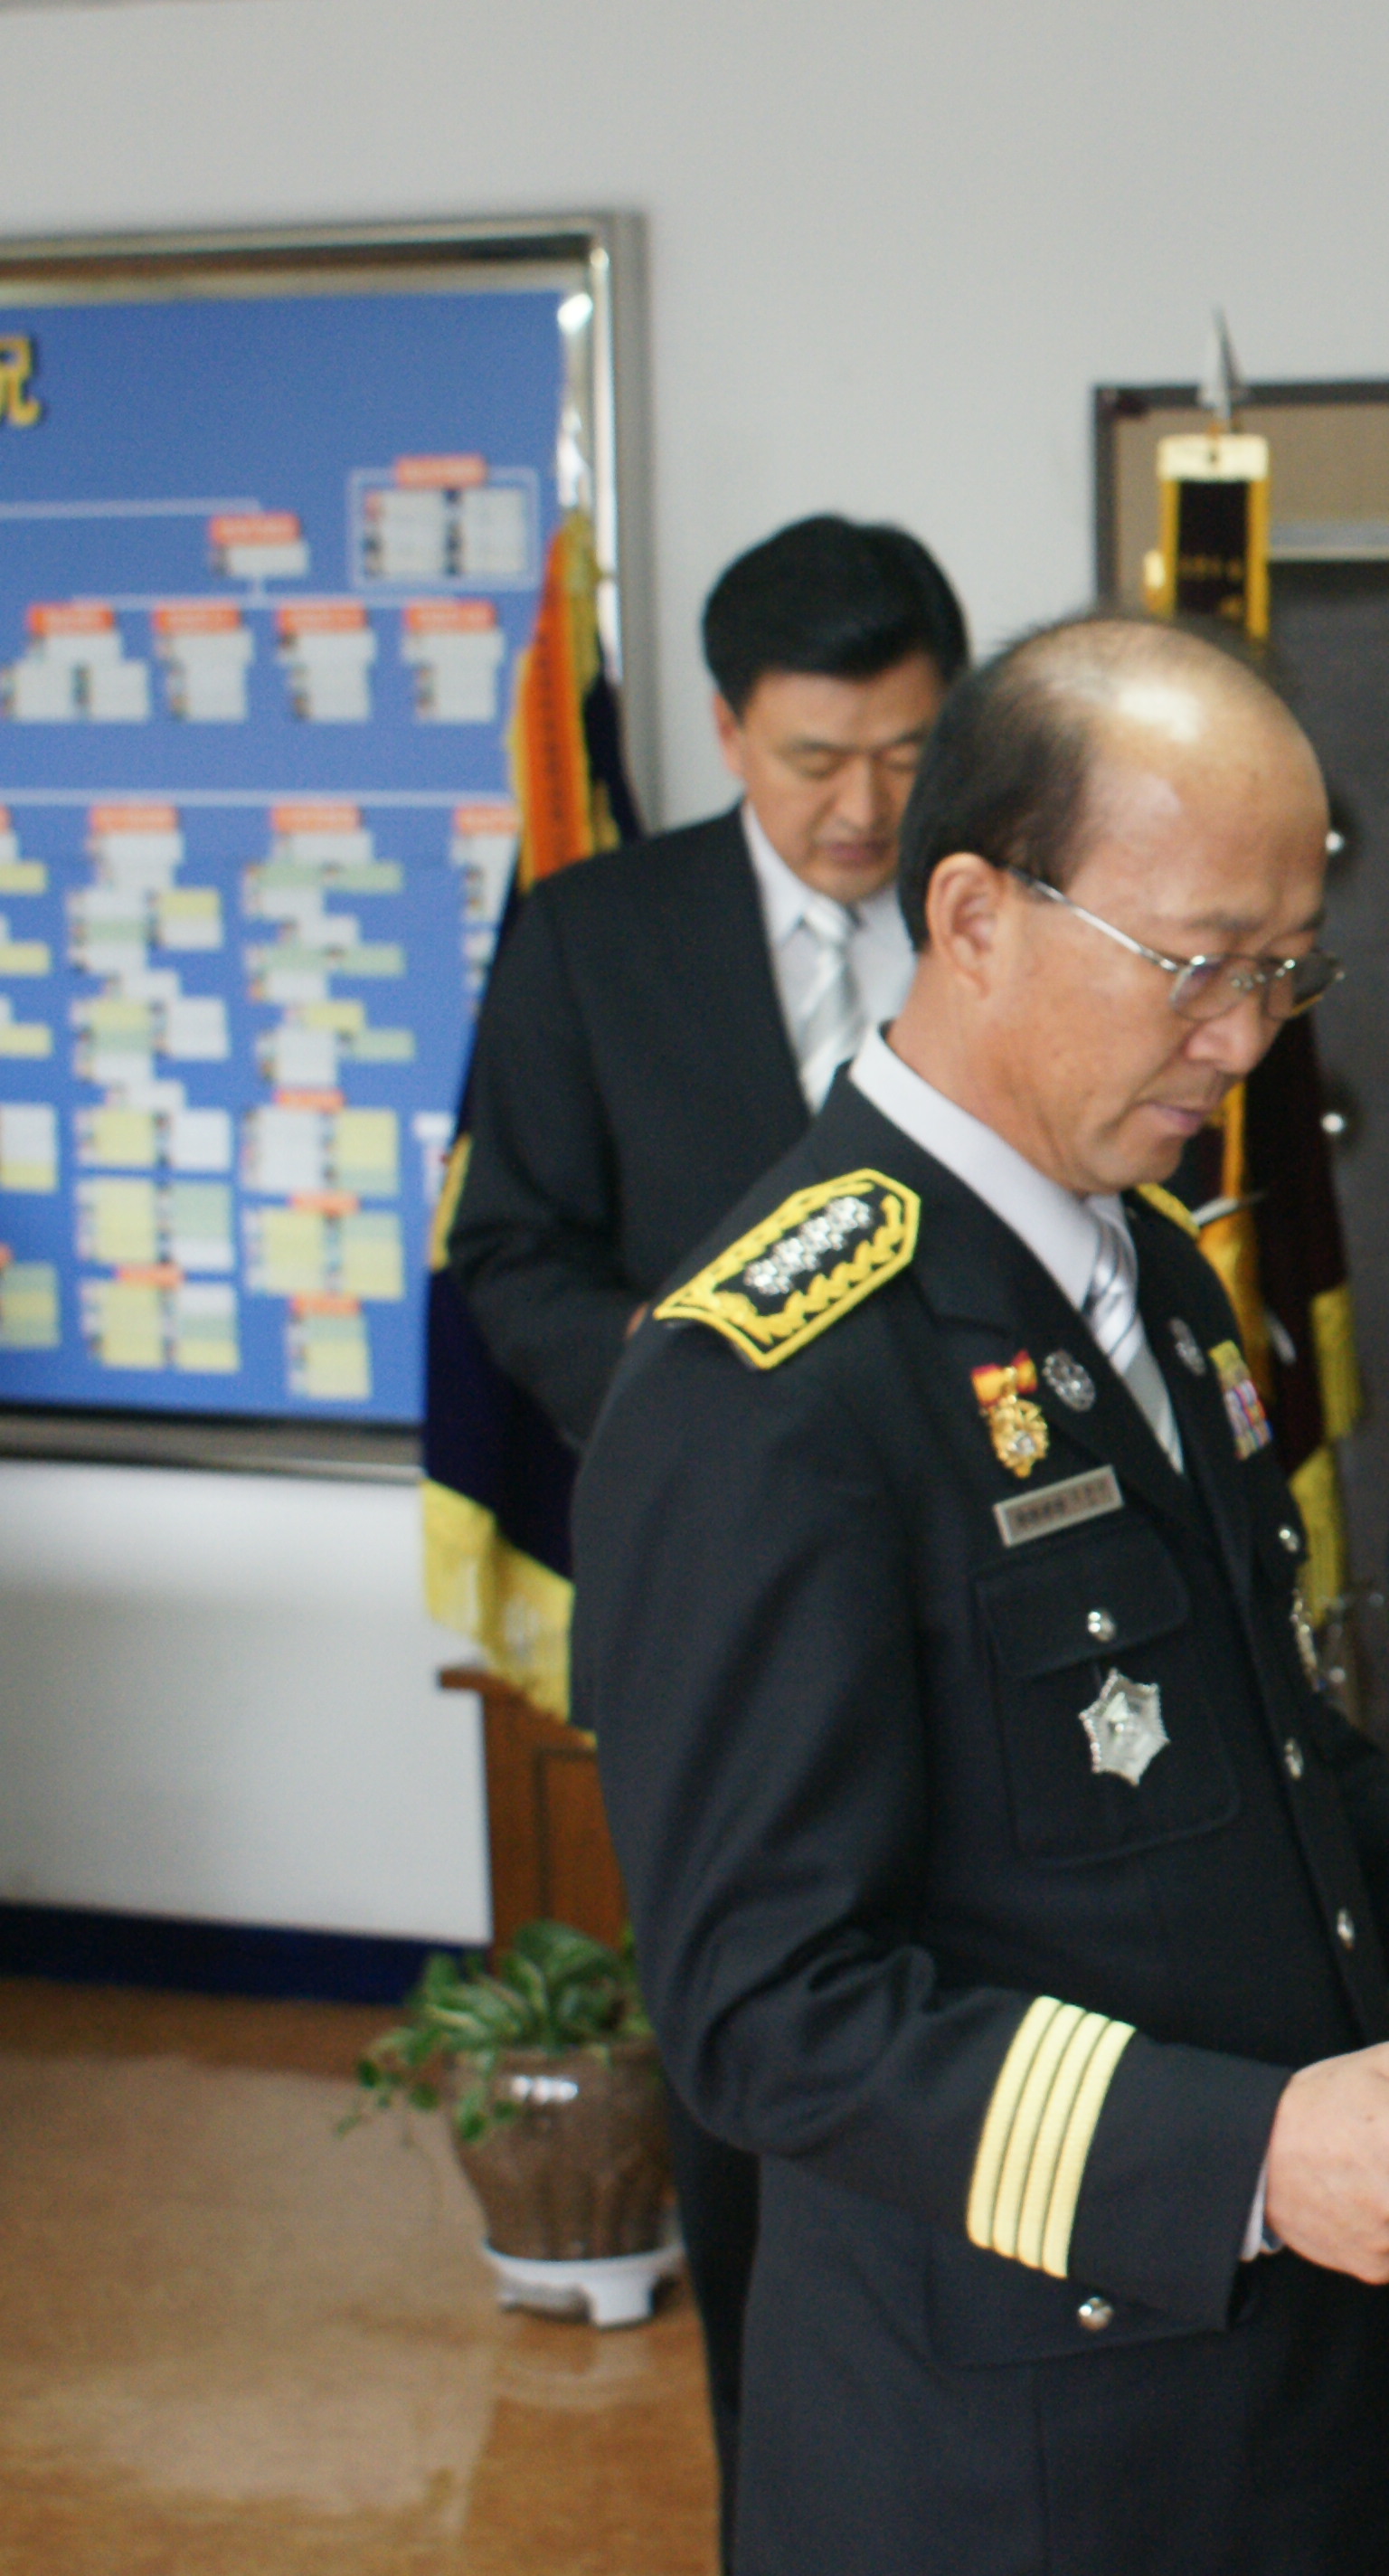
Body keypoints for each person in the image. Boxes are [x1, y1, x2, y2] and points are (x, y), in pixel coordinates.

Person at [577, 614, 1389, 2576]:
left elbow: (1274, 1776)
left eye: (1286, 968)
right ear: (976, 915)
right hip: (1032, 2449)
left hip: (1317, 2384)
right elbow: (763, 2006)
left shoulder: (1149, 1272)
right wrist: (1240, 2151)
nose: (1247, 1042)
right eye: (1198, 967)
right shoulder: (775, 1376)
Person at [443, 510, 966, 2542]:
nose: (863, 809)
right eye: (816, 759)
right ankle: (789, 2512)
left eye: (907, 753)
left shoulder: (1008, 910)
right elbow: (512, 1254)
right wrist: (697, 1396)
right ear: (729, 725)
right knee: (762, 2071)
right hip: (727, 1610)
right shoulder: (594, 936)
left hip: (990, 1572)